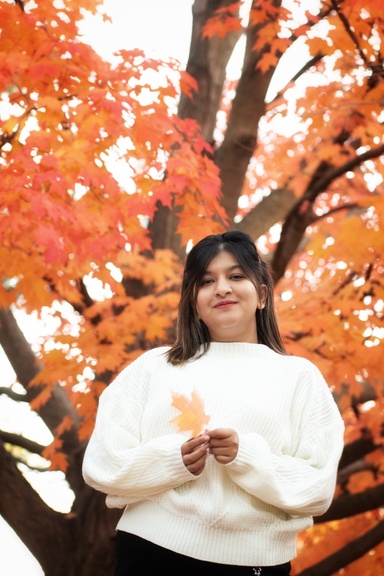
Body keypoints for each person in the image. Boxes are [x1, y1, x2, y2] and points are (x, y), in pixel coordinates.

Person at [82, 230, 344, 576]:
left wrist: (247, 458)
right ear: (194, 302)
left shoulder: (299, 377)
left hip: (256, 562)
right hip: (151, 553)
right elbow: (102, 464)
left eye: (236, 276)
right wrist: (170, 461)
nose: (222, 288)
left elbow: (317, 488)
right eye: (207, 281)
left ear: (262, 295)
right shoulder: (153, 367)